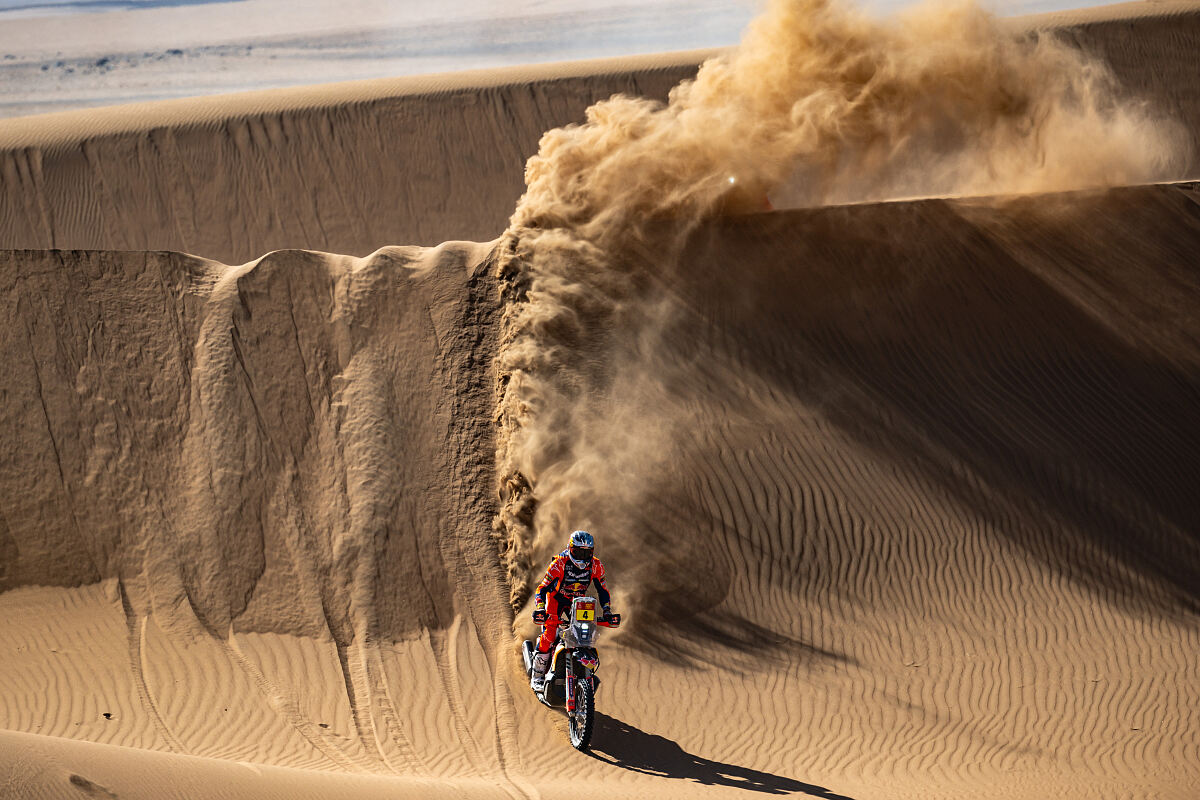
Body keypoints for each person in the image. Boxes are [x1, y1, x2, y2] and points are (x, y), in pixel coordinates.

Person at [529, 530, 616, 691]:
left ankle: (582, 673)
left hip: (578, 602)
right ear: (570, 548)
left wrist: (607, 611)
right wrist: (541, 609)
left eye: (586, 553)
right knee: (549, 634)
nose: (582, 557)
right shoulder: (559, 563)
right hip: (556, 599)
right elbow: (542, 588)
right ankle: (538, 676)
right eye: (578, 552)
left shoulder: (596, 565)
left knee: (584, 636)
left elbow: (602, 590)